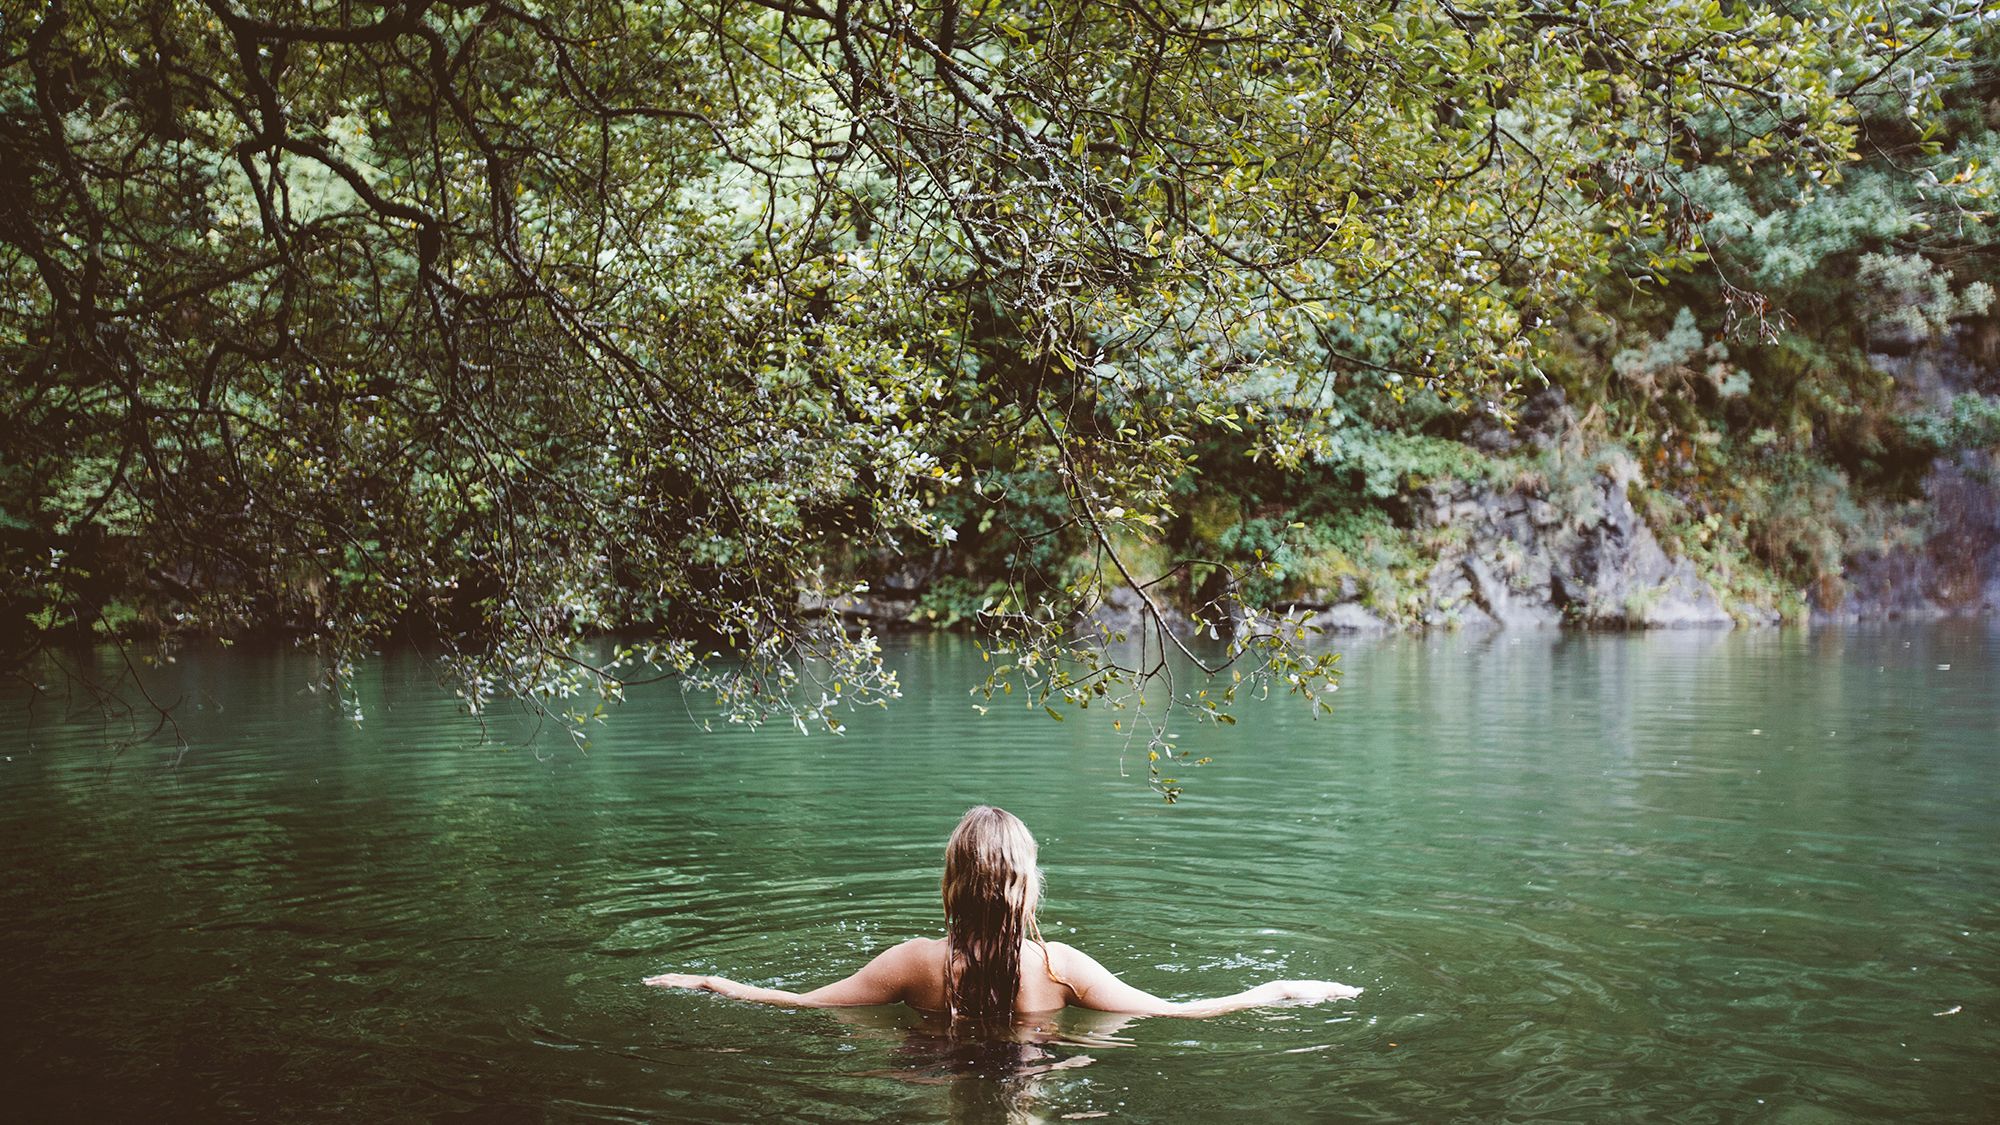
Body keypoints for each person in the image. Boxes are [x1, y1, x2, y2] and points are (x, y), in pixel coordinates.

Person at [643, 805, 1362, 1019]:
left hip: (930, 1068)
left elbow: (801, 1002)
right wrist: (1281, 990)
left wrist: (712, 983)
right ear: (1027, 887)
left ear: (952, 882)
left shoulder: (915, 964)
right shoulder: (1059, 969)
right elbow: (1179, 1011)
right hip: (1037, 1069)